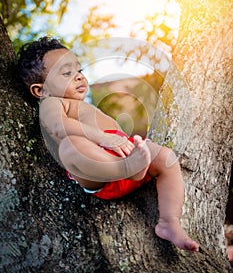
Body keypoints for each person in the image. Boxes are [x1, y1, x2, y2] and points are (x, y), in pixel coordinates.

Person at [18, 36, 199, 252]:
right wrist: (102, 137)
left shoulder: (84, 107)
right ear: (41, 90)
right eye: (67, 73)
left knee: (166, 157)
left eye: (79, 71)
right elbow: (59, 127)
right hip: (98, 169)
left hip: (128, 155)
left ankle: (169, 221)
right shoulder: (52, 103)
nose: (78, 77)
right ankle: (128, 168)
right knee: (70, 146)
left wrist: (121, 143)